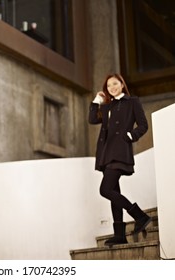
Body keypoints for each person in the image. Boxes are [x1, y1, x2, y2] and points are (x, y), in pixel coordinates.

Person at [88, 73, 151, 247]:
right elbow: (92, 119)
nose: (112, 88)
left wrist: (131, 135)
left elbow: (143, 125)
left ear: (122, 84)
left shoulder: (133, 102)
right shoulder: (108, 106)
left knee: (105, 189)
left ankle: (140, 216)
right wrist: (96, 101)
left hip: (120, 151)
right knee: (113, 191)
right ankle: (119, 235)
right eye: (109, 86)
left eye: (115, 84)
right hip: (106, 154)